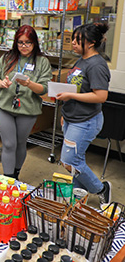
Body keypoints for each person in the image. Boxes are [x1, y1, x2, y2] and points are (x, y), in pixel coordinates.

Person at [56, 23, 112, 205]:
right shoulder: (81, 60)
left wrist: (70, 95)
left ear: (91, 43)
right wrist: (67, 110)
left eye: (77, 39)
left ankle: (101, 188)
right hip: (73, 119)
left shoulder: (97, 65)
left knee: (69, 161)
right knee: (76, 160)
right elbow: (78, 86)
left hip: (86, 121)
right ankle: (78, 196)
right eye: (73, 39)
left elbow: (101, 96)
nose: (72, 43)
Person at [0, 25, 52, 180]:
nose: (24, 46)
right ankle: (8, 178)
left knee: (20, 143)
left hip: (28, 109)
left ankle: (16, 175)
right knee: (9, 144)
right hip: (5, 105)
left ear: (34, 43)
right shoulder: (8, 58)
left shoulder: (42, 61)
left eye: (28, 43)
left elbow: (44, 89)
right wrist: (2, 83)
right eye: (20, 43)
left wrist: (29, 84)